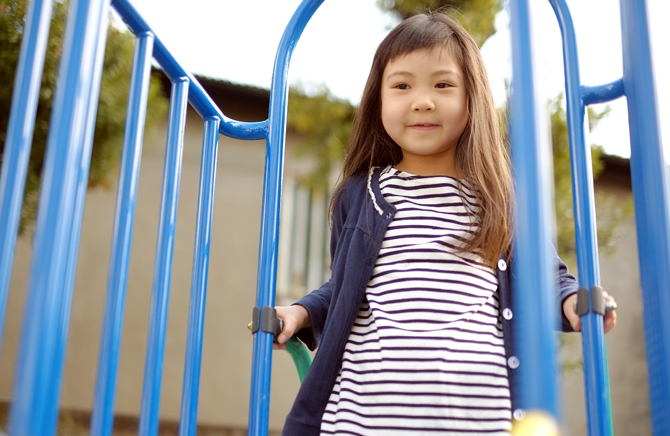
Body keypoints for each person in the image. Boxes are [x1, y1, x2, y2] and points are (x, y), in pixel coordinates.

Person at [275, 12, 617, 436]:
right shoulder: (360, 195)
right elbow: (343, 285)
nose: (422, 101)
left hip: (479, 420)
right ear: (378, 100)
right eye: (402, 86)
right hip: (366, 419)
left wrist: (571, 303)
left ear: (472, 98)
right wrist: (302, 311)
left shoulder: (501, 198)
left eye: (443, 85)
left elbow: (545, 278)